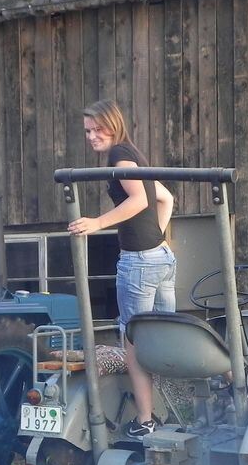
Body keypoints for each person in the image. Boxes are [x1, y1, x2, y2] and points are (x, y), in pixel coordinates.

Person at [67, 99, 176, 439]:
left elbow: (140, 200)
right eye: (87, 131)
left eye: (98, 129)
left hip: (140, 262)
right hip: (161, 258)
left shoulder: (119, 155)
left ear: (113, 125)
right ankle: (227, 380)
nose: (92, 136)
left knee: (134, 344)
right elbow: (166, 198)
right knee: (164, 338)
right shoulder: (134, 154)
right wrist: (156, 240)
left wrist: (97, 222)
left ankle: (145, 419)